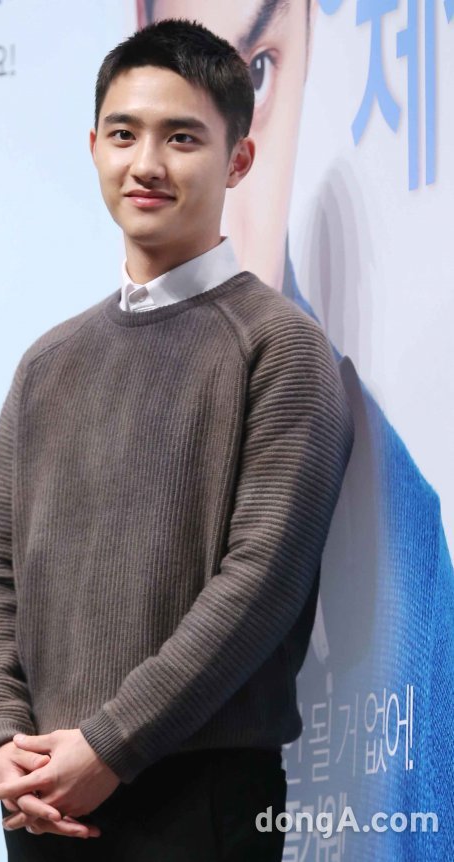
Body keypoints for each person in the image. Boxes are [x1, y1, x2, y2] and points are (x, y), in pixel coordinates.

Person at [0, 18, 355, 861]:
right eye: (124, 134)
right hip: (42, 797)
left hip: (199, 795)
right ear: (93, 146)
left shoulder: (279, 345)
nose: (146, 163)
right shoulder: (47, 362)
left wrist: (110, 745)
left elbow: (262, 582)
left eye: (182, 138)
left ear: (238, 159)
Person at [137, 3, 454, 859]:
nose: (184, 170)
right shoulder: (66, 370)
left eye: (256, 75)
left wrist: (99, 748)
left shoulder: (405, 539)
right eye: (152, 125)